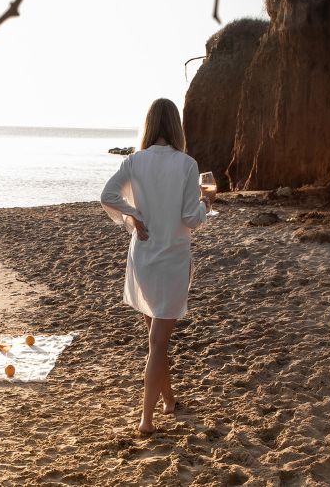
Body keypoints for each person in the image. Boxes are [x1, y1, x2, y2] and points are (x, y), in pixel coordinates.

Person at [100, 98, 213, 434]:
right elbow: (191, 218)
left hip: (144, 257)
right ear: (176, 126)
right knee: (158, 342)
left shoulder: (135, 161)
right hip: (172, 259)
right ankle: (146, 420)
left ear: (149, 125)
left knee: (156, 339)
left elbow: (108, 196)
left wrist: (133, 215)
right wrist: (207, 203)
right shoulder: (187, 164)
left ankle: (169, 400)